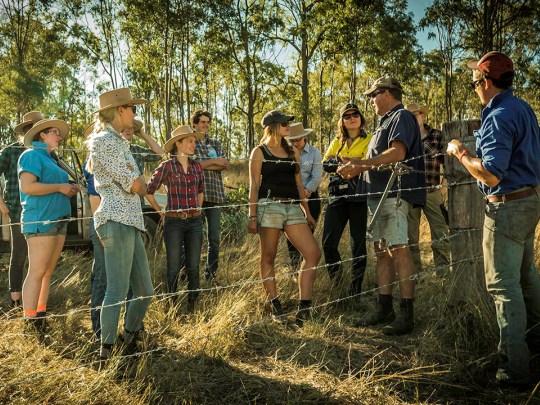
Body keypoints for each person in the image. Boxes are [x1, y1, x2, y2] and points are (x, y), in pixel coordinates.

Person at [447, 52, 540, 389]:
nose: (473, 86)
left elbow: (490, 175)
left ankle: (513, 370)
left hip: (506, 207)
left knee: (503, 286)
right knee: (526, 278)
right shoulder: (522, 108)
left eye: (475, 80)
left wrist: (460, 152)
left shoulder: (500, 115)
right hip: (529, 200)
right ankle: (534, 348)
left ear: (485, 81)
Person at [338, 77, 426, 335]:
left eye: (373, 95)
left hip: (394, 194)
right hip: (377, 196)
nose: (371, 101)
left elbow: (397, 153)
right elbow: (378, 160)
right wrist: (356, 167)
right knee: (381, 251)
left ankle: (406, 314)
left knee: (399, 250)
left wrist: (361, 164)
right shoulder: (384, 122)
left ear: (386, 93)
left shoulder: (402, 117)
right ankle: (383, 307)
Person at [87, 87, 153, 362]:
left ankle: (128, 336)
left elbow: (139, 184)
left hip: (131, 220)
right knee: (116, 288)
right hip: (115, 219)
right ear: (120, 110)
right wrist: (138, 184)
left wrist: (139, 184)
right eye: (132, 108)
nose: (136, 113)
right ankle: (107, 350)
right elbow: (137, 183)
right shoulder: (104, 141)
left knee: (145, 291)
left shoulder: (121, 142)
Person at [83, 121, 163, 340]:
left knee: (134, 286)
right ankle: (101, 335)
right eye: (126, 128)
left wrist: (142, 132)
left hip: (131, 219)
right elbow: (95, 194)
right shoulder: (103, 150)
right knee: (104, 279)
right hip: (107, 218)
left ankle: (130, 332)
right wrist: (99, 226)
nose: (129, 130)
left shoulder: (130, 149)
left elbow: (160, 154)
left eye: (132, 129)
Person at [248, 110, 321, 327]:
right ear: (273, 126)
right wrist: (252, 215)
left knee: (313, 253)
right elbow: (254, 186)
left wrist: (306, 212)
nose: (289, 125)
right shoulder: (259, 152)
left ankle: (304, 308)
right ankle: (275, 307)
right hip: (268, 206)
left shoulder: (293, 152)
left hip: (292, 209)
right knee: (268, 256)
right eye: (285, 123)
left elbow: (300, 185)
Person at [18, 118, 79, 331]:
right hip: (41, 220)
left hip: (59, 220)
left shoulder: (52, 159)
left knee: (47, 271)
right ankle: (30, 321)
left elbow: (56, 185)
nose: (59, 136)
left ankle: (41, 313)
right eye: (55, 132)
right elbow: (27, 186)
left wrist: (69, 188)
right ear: (41, 134)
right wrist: (60, 188)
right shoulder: (31, 155)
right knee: (37, 270)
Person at [146, 125, 204, 313]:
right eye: (189, 141)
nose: (193, 144)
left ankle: (193, 308)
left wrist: (198, 209)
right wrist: (159, 211)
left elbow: (201, 190)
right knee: (173, 267)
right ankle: (171, 308)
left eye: (194, 141)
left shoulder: (196, 166)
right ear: (178, 144)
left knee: (194, 267)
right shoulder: (167, 166)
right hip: (174, 223)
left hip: (194, 222)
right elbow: (148, 190)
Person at [321, 104, 372, 296]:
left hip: (359, 196)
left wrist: (343, 161)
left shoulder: (370, 139)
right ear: (342, 121)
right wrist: (348, 163)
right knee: (328, 242)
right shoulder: (337, 141)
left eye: (355, 115)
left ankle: (355, 289)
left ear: (361, 118)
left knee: (357, 243)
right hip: (337, 197)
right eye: (347, 116)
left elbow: (368, 161)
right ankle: (338, 283)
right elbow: (326, 163)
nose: (352, 118)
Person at [0, 111, 43, 308]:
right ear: (26, 130)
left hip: (41, 211)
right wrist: (1, 202)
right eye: (32, 128)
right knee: (19, 254)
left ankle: (35, 300)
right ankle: (16, 301)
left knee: (38, 257)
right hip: (17, 210)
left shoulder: (45, 151)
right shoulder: (10, 151)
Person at [404, 103, 451, 273]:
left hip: (432, 191)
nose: (414, 118)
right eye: (410, 116)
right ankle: (415, 275)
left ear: (423, 116)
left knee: (441, 233)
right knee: (410, 237)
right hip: (410, 194)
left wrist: (443, 185)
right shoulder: (404, 139)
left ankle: (443, 273)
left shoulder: (436, 135)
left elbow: (448, 163)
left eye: (417, 114)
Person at [192, 110, 229, 284]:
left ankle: (211, 274)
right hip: (195, 195)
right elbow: (192, 165)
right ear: (194, 124)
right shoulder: (190, 142)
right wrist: (213, 162)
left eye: (207, 122)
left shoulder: (214, 143)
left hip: (214, 194)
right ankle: (190, 274)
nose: (205, 125)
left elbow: (224, 164)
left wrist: (205, 164)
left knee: (214, 237)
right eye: (202, 122)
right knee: (194, 237)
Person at [285, 123, 322, 270]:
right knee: (291, 238)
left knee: (306, 236)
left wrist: (305, 192)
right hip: (291, 200)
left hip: (310, 198)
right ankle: (295, 269)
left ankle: (305, 268)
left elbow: (317, 176)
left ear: (304, 137)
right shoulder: (286, 153)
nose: (295, 143)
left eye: (297, 140)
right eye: (292, 141)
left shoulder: (314, 152)